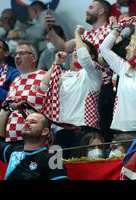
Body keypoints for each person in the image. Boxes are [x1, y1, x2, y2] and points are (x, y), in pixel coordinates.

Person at [40, 25, 103, 158]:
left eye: (79, 49)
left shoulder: (94, 72)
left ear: (92, 55)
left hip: (84, 128)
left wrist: (77, 34)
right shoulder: (63, 74)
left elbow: (84, 58)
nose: (76, 52)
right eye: (74, 50)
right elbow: (44, 87)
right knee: (56, 170)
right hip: (60, 130)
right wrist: (56, 63)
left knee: (85, 169)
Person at [0, 101, 68, 180]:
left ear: (45, 131)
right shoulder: (14, 152)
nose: (26, 124)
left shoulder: (53, 160)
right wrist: (7, 109)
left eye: (33, 122)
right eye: (26, 121)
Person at [5, 41, 47, 143]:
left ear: (33, 58)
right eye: (15, 54)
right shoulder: (15, 81)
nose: (17, 57)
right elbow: (7, 109)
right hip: (11, 139)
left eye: (22, 53)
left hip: (34, 140)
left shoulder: (44, 76)